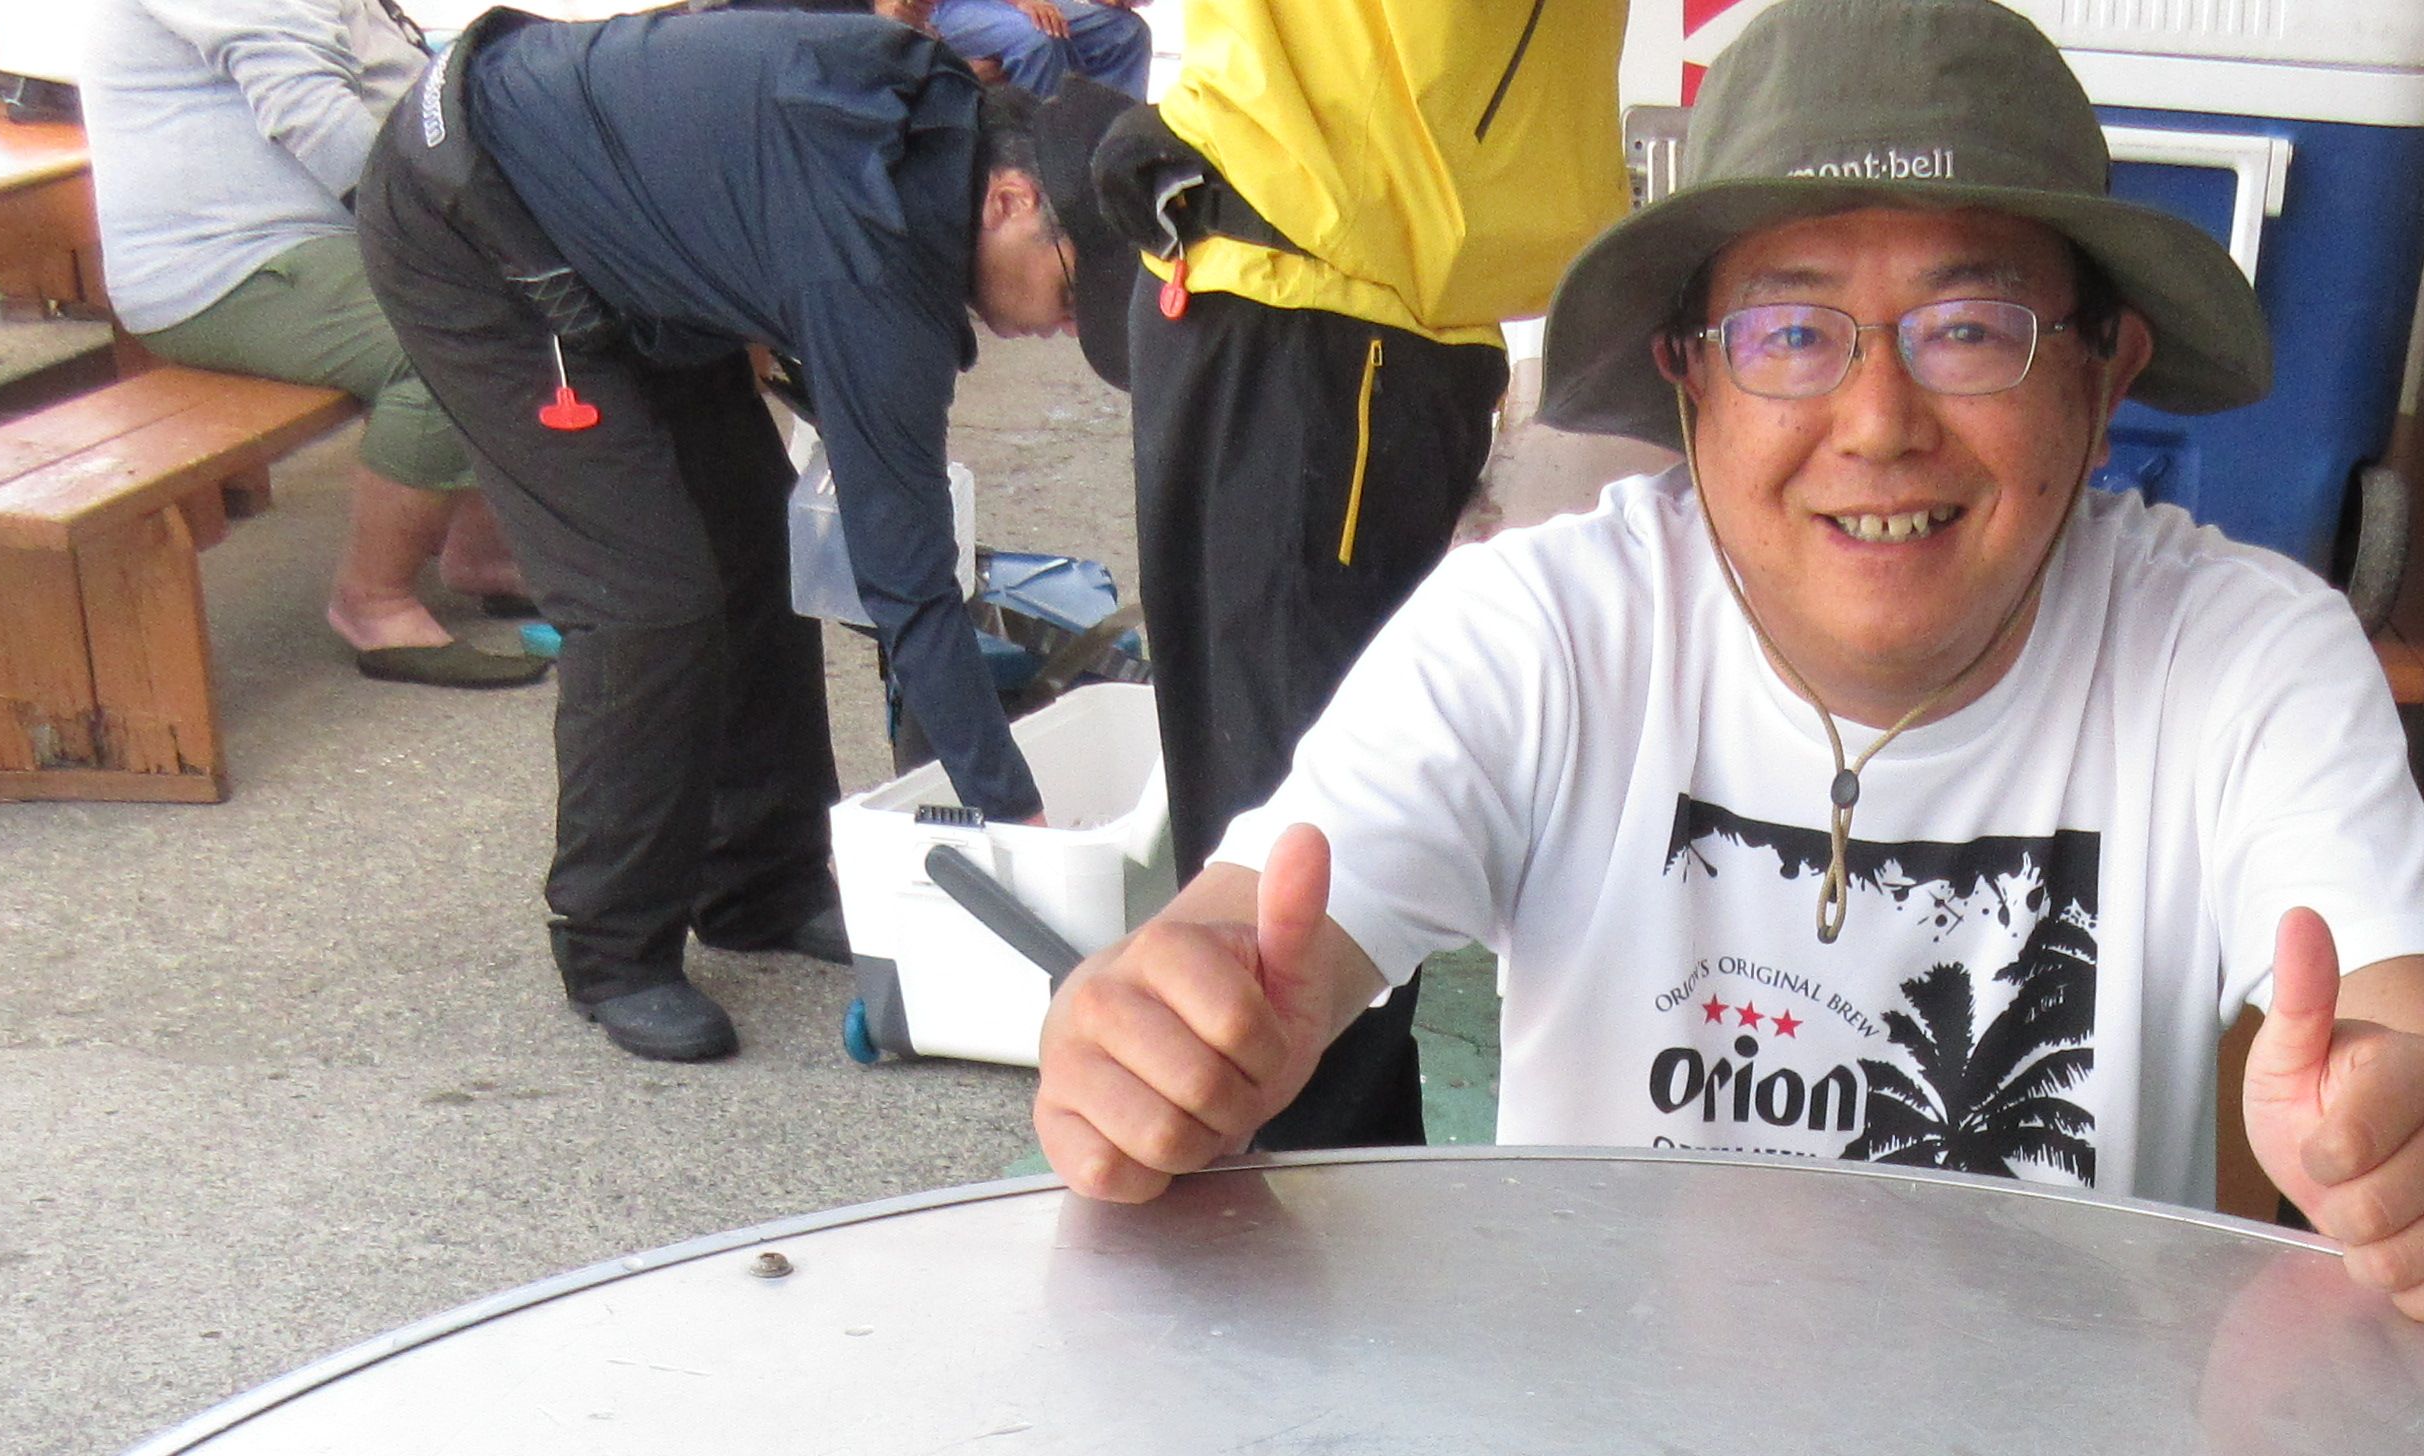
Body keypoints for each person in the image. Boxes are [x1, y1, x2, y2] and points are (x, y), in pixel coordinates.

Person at [1033, 0, 2424, 1322]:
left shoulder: (2247, 659)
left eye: (1971, 328)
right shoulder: (1544, 632)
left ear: (2105, 377)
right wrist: (1150, 1038)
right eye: (1790, 334)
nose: (1878, 422)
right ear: (1690, 383)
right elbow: (1235, 950)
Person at [358, 6, 1085, 1060]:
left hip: (618, 232)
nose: (1067, 325)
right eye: (1073, 289)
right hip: (470, 223)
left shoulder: (939, 132)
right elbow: (906, 584)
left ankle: (759, 884)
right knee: (648, 604)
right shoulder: (867, 265)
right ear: (1009, 198)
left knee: (756, 549)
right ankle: (612, 948)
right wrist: (1015, 823)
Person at [1078, 0, 1630, 1147]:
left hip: (1341, 301)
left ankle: (1315, 1196)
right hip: (1310, 300)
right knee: (1292, 897)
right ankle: (1306, 1222)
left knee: (1295, 856)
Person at [64, 0, 546, 682]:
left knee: (530, 304)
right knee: (449, 348)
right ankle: (373, 602)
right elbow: (309, 109)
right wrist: (451, 232)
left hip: (320, 240)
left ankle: (482, 553)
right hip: (227, 265)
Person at [892, 0, 1144, 102]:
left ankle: (1108, 154)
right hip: (940, 8)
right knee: (1039, 38)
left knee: (1126, 31)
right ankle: (1036, 160)